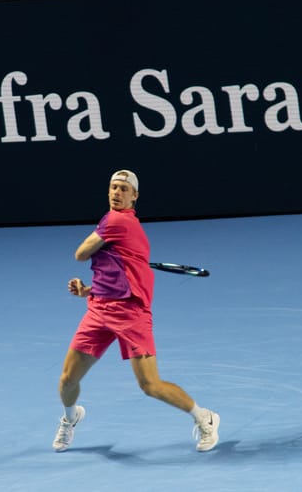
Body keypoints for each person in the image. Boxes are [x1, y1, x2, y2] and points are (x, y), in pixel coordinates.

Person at [53, 170, 220, 453]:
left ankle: (205, 417)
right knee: (68, 379)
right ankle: (71, 418)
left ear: (134, 196)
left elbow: (80, 254)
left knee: (150, 385)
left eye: (123, 189)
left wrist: (93, 256)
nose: (116, 193)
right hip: (99, 310)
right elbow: (118, 275)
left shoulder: (116, 221)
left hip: (131, 315)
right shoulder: (116, 226)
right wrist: (88, 290)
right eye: (113, 187)